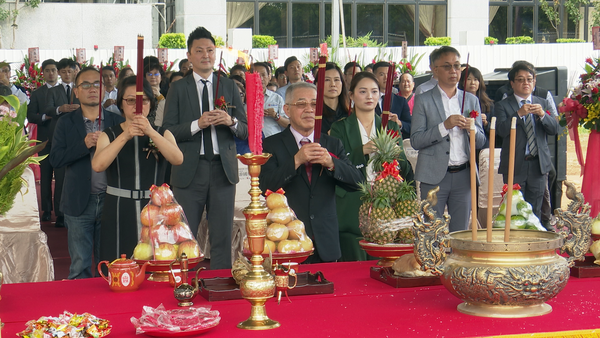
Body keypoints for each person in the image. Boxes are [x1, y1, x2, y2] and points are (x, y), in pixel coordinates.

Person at [162, 26, 248, 270]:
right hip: (190, 169)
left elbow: (244, 130)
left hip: (223, 171)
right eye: (199, 51)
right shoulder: (178, 88)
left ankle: (219, 283)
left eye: (210, 50)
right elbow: (167, 131)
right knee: (184, 235)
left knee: (222, 235)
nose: (206, 55)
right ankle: (183, 285)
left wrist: (229, 121)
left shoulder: (229, 86)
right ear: (189, 56)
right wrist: (196, 124)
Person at [259, 82, 363, 263]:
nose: (309, 109)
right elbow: (265, 186)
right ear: (286, 109)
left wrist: (331, 163)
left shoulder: (332, 143)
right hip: (287, 241)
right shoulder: (271, 145)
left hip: (326, 242)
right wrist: (296, 161)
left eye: (314, 104)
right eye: (301, 104)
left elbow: (357, 182)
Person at [92, 76, 183, 261]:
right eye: (131, 100)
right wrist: (125, 135)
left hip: (154, 210)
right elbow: (98, 165)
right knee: (118, 261)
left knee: (155, 261)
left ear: (150, 103)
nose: (137, 106)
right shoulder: (109, 134)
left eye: (143, 101)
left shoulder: (162, 132)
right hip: (118, 207)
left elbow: (178, 158)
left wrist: (150, 132)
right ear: (121, 104)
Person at [49, 67, 125, 279]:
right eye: (86, 85)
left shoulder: (116, 121)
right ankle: (81, 310)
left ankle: (109, 310)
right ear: (76, 91)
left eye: (97, 84)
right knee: (80, 264)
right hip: (78, 200)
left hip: (111, 200)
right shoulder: (65, 122)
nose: (92, 89)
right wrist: (83, 145)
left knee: (110, 264)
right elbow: (55, 159)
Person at [330, 72, 414, 261]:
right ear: (351, 96)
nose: (369, 96)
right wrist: (362, 150)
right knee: (354, 262)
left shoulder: (390, 126)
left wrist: (394, 156)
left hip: (387, 201)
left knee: (386, 259)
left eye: (374, 91)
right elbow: (335, 164)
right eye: (363, 91)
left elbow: (403, 167)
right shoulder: (339, 128)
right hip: (352, 201)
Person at [410, 46, 486, 233]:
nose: (454, 71)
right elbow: (416, 140)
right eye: (447, 66)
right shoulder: (424, 99)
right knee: (431, 232)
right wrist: (444, 126)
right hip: (433, 175)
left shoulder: (471, 100)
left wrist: (472, 130)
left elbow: (482, 141)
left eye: (457, 66)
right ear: (434, 69)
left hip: (464, 175)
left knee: (460, 233)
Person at [494, 63, 559, 221]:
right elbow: (501, 131)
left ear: (534, 81)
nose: (526, 83)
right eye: (521, 80)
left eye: (529, 79)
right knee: (515, 207)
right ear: (512, 83)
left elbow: (555, 129)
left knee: (535, 208)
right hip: (515, 164)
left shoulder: (541, 102)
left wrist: (543, 115)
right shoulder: (503, 105)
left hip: (537, 164)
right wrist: (518, 114)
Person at [44, 58, 81, 228]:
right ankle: (60, 214)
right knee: (59, 178)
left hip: (77, 137)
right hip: (58, 136)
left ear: (75, 72)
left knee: (75, 177)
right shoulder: (53, 91)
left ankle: (75, 210)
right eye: (63, 71)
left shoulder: (80, 89)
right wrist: (61, 109)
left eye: (70, 71)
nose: (67, 74)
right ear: (59, 73)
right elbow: (48, 109)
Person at [27, 59, 59, 223]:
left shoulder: (65, 91)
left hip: (62, 141)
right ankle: (46, 209)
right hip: (45, 138)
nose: (51, 73)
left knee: (61, 177)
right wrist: (46, 116)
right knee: (45, 176)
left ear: (57, 72)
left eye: (53, 70)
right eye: (47, 70)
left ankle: (61, 212)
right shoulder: (38, 93)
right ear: (43, 73)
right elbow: (30, 115)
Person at [372, 61, 411, 139]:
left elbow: (411, 126)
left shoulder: (400, 101)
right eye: (382, 74)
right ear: (374, 77)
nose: (386, 78)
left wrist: (399, 123)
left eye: (389, 74)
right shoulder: (368, 100)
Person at [254, 61, 289, 137]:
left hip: (273, 141)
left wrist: (276, 116)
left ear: (269, 77)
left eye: (263, 75)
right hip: (250, 144)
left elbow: (288, 124)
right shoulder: (244, 98)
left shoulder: (277, 98)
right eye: (257, 75)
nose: (261, 78)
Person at [313, 62, 349, 134]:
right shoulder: (313, 115)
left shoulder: (350, 114)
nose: (333, 84)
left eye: (336, 80)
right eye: (327, 80)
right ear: (317, 84)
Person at [145, 62, 166, 127]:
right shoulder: (141, 93)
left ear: (161, 77)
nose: (153, 77)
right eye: (149, 74)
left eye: (156, 74)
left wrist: (159, 96)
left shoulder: (167, 92)